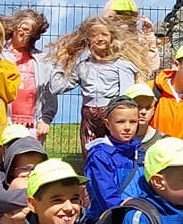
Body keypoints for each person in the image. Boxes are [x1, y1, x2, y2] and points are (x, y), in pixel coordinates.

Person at [41, 15, 154, 143]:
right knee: (91, 157)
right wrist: (60, 63)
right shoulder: (82, 67)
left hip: (113, 118)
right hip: (89, 121)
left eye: (104, 35)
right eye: (94, 35)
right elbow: (56, 87)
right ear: (87, 39)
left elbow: (125, 99)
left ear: (112, 37)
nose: (99, 39)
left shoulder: (122, 66)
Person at [81, 96, 148, 218]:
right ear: (107, 124)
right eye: (120, 122)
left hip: (139, 216)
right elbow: (107, 197)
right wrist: (127, 212)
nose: (127, 127)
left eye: (133, 122)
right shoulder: (100, 156)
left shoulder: (139, 152)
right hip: (110, 220)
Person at [2, 8, 50, 140]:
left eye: (30, 31)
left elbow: (49, 91)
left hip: (32, 124)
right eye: (23, 28)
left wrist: (45, 119)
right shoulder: (0, 55)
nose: (25, 33)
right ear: (14, 27)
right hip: (4, 121)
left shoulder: (41, 59)